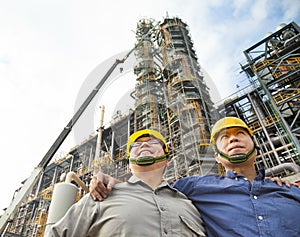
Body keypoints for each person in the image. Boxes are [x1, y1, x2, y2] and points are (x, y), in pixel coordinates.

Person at [90, 117, 300, 237]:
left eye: (240, 134)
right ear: (217, 158)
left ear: (255, 149)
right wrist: (119, 186)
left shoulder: (290, 190)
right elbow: (154, 192)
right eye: (224, 138)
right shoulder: (195, 187)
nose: (233, 139)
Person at [46, 129, 206, 237]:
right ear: (129, 164)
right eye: (136, 145)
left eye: (153, 142)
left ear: (166, 159)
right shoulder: (102, 196)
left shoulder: (190, 207)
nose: (144, 144)